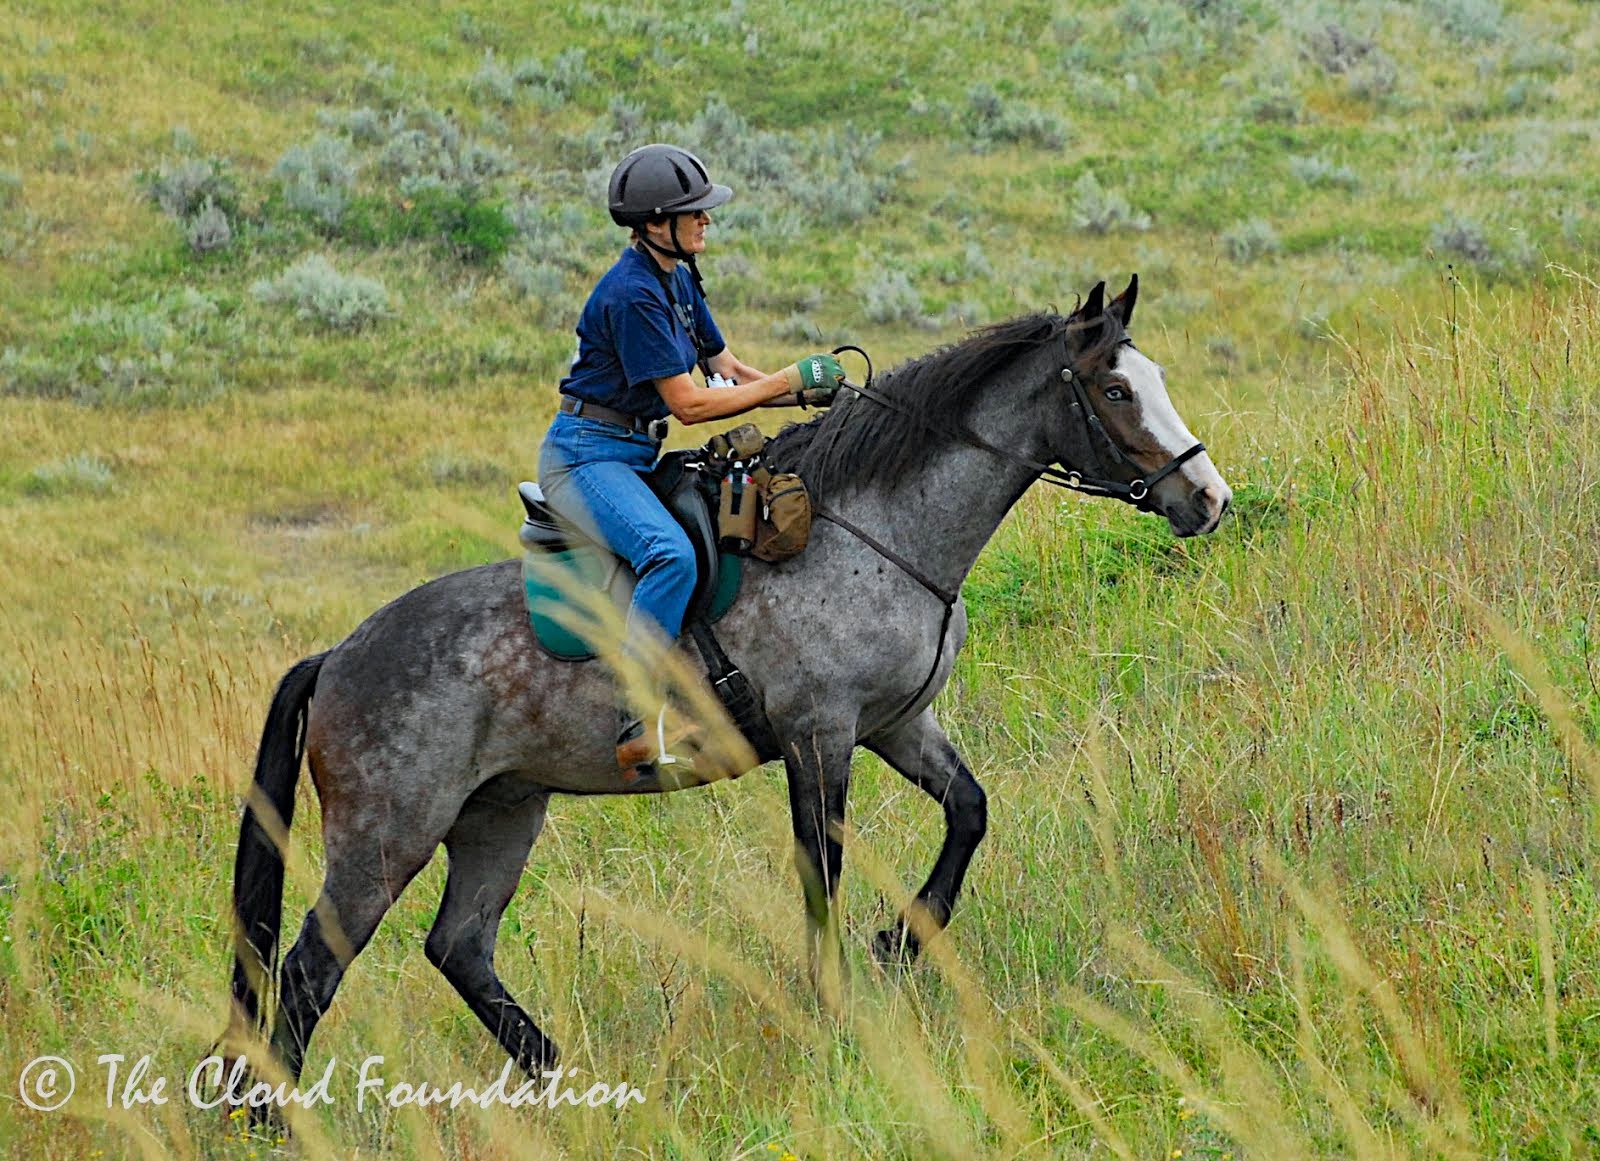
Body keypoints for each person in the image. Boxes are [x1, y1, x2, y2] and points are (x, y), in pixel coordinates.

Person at [536, 143, 846, 775]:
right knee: (667, 554)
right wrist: (786, 376)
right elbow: (690, 405)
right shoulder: (632, 295)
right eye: (694, 213)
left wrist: (803, 394)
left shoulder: (676, 277)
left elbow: (725, 369)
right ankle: (635, 716)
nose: (707, 221)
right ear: (655, 224)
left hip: (633, 453)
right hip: (585, 460)